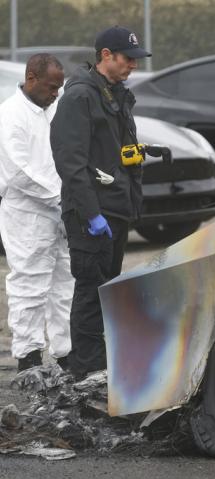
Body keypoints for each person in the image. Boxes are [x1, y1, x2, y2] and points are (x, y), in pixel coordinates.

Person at [50, 26, 151, 380]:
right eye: (127, 59)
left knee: (108, 289)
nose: (132, 66)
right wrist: (91, 213)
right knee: (91, 292)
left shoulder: (116, 94)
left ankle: (104, 365)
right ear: (106, 55)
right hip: (91, 213)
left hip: (115, 209)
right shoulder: (79, 98)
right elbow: (70, 163)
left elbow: (118, 151)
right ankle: (87, 371)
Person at [0, 54, 73, 372]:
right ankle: (28, 357)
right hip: (27, 213)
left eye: (59, 87)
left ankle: (65, 352)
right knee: (30, 283)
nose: (56, 92)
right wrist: (61, 198)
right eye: (51, 86)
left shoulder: (54, 110)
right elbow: (18, 171)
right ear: (31, 78)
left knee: (65, 282)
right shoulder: (10, 115)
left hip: (60, 210)